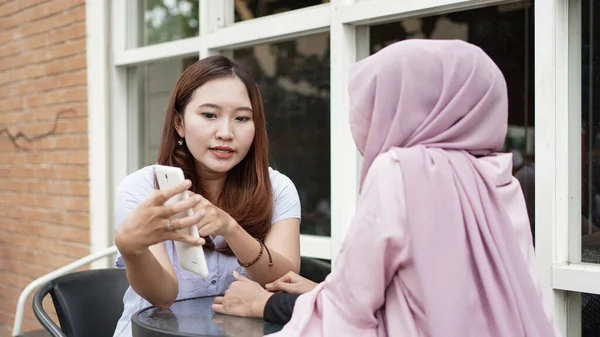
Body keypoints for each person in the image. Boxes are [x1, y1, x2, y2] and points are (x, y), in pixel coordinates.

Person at [213, 40, 561, 336]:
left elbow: (348, 316)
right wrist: (322, 291)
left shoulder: (401, 171)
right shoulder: (497, 176)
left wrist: (267, 304)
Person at [111, 55, 301, 337]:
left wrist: (230, 228)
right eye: (209, 115)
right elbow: (163, 297)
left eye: (241, 118)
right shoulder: (142, 190)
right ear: (179, 123)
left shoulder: (278, 188)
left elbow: (284, 281)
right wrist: (132, 249)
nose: (225, 133)